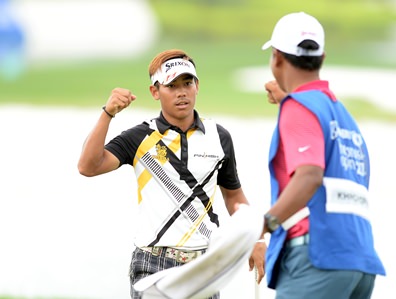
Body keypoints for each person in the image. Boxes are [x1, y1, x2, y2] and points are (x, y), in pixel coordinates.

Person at [77, 49, 266, 299]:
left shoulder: (219, 136)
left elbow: (234, 196)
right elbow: (88, 166)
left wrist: (254, 238)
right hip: (152, 263)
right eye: (171, 85)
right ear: (155, 92)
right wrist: (108, 113)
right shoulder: (140, 136)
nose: (181, 92)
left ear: (197, 86)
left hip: (204, 264)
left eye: (187, 83)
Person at [259, 12, 386, 299]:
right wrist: (288, 99)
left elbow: (310, 176)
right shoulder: (340, 113)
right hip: (359, 261)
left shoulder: (300, 108)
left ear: (277, 57)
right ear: (322, 57)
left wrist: (265, 223)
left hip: (317, 259)